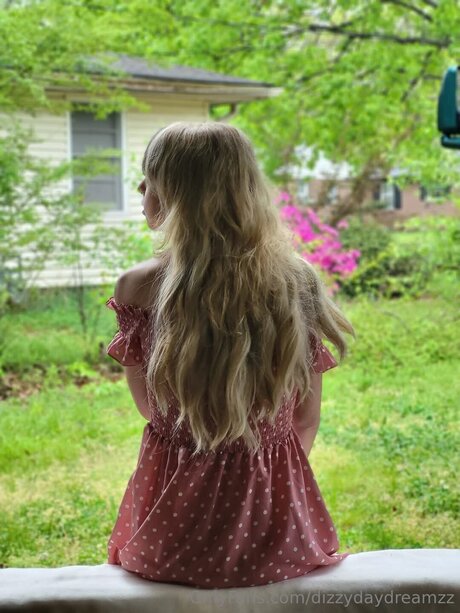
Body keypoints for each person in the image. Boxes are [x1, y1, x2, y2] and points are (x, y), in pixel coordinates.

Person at [105, 121, 355, 589]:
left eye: (149, 179)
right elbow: (305, 419)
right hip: (276, 538)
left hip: (169, 535)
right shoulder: (295, 282)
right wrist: (259, 481)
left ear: (176, 195)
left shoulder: (137, 287)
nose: (140, 190)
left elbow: (150, 408)